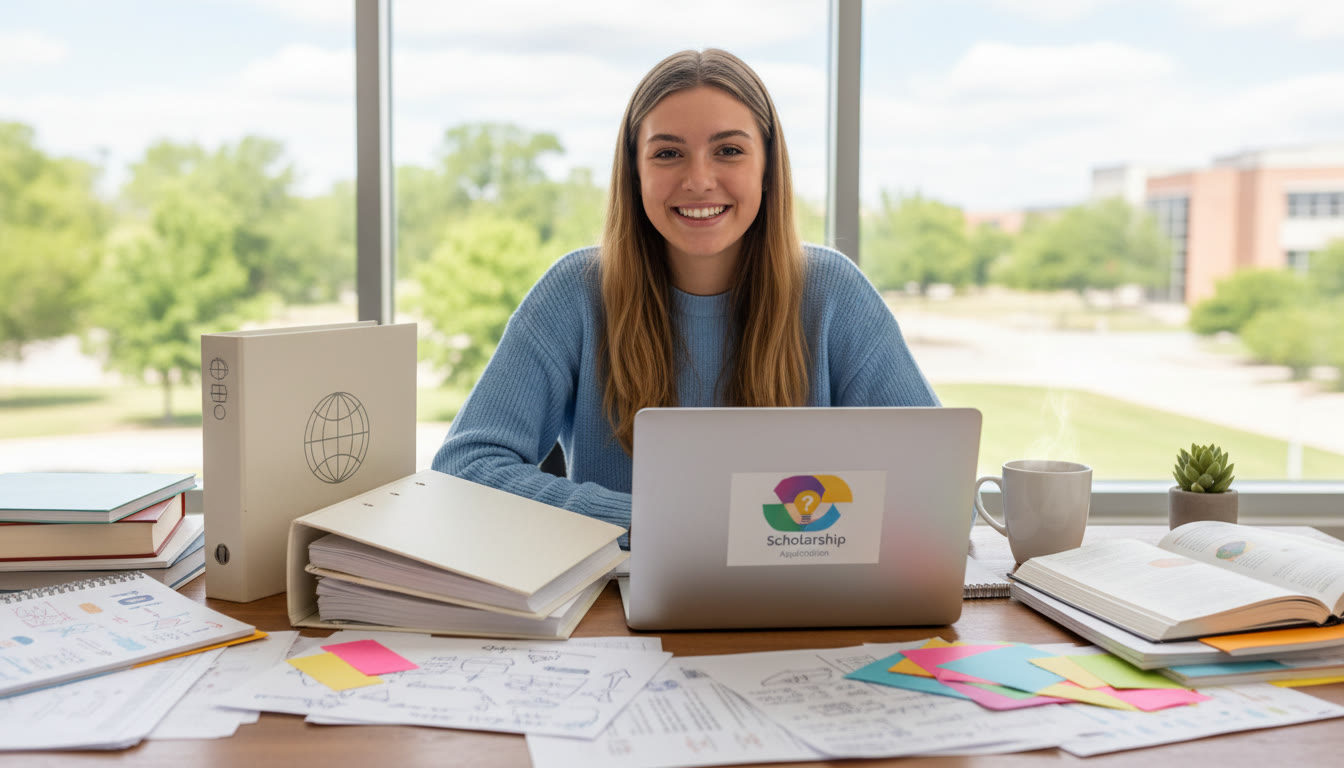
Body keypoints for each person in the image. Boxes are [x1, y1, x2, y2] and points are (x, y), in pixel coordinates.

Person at [433, 49, 938, 545]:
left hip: (806, 588)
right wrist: (648, 522)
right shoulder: (576, 292)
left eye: (729, 150)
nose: (698, 181)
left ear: (767, 168)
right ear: (635, 172)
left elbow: (934, 482)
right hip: (622, 589)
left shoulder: (834, 293)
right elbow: (463, 469)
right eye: (668, 153)